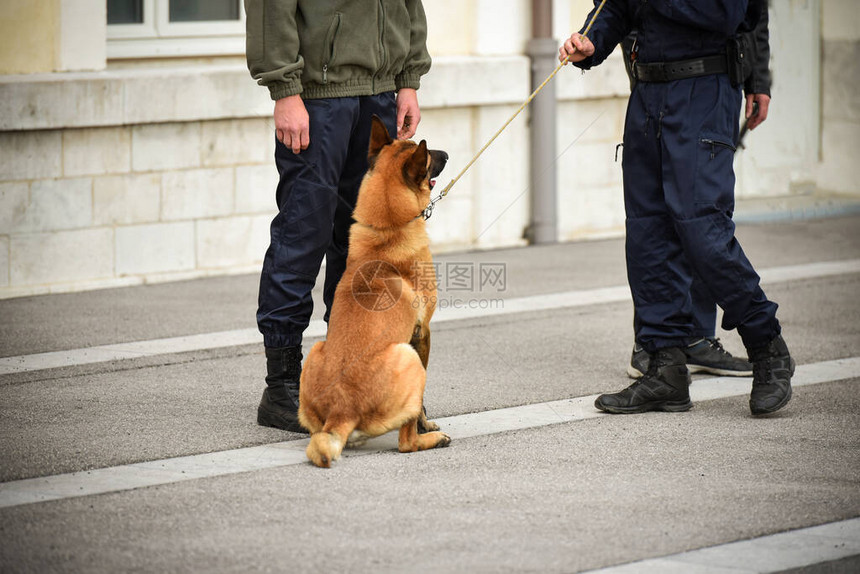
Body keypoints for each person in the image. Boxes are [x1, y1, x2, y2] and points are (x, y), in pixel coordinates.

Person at [560, 0, 793, 415]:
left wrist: (760, 77)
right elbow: (615, 7)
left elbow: (725, 14)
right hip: (648, 94)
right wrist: (591, 43)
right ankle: (665, 369)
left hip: (704, 88)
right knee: (648, 235)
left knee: (703, 230)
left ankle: (768, 347)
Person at [244, 0, 432, 432]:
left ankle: (353, 372)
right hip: (317, 99)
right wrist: (285, 91)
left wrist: (407, 81)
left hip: (379, 95)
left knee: (366, 248)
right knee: (302, 235)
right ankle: (282, 386)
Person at [619, 14, 773, 380]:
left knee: (701, 221)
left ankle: (704, 337)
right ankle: (659, 346)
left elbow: (753, 13)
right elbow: (617, 11)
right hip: (654, 81)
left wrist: (758, 77)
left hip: (711, 82)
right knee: (652, 224)